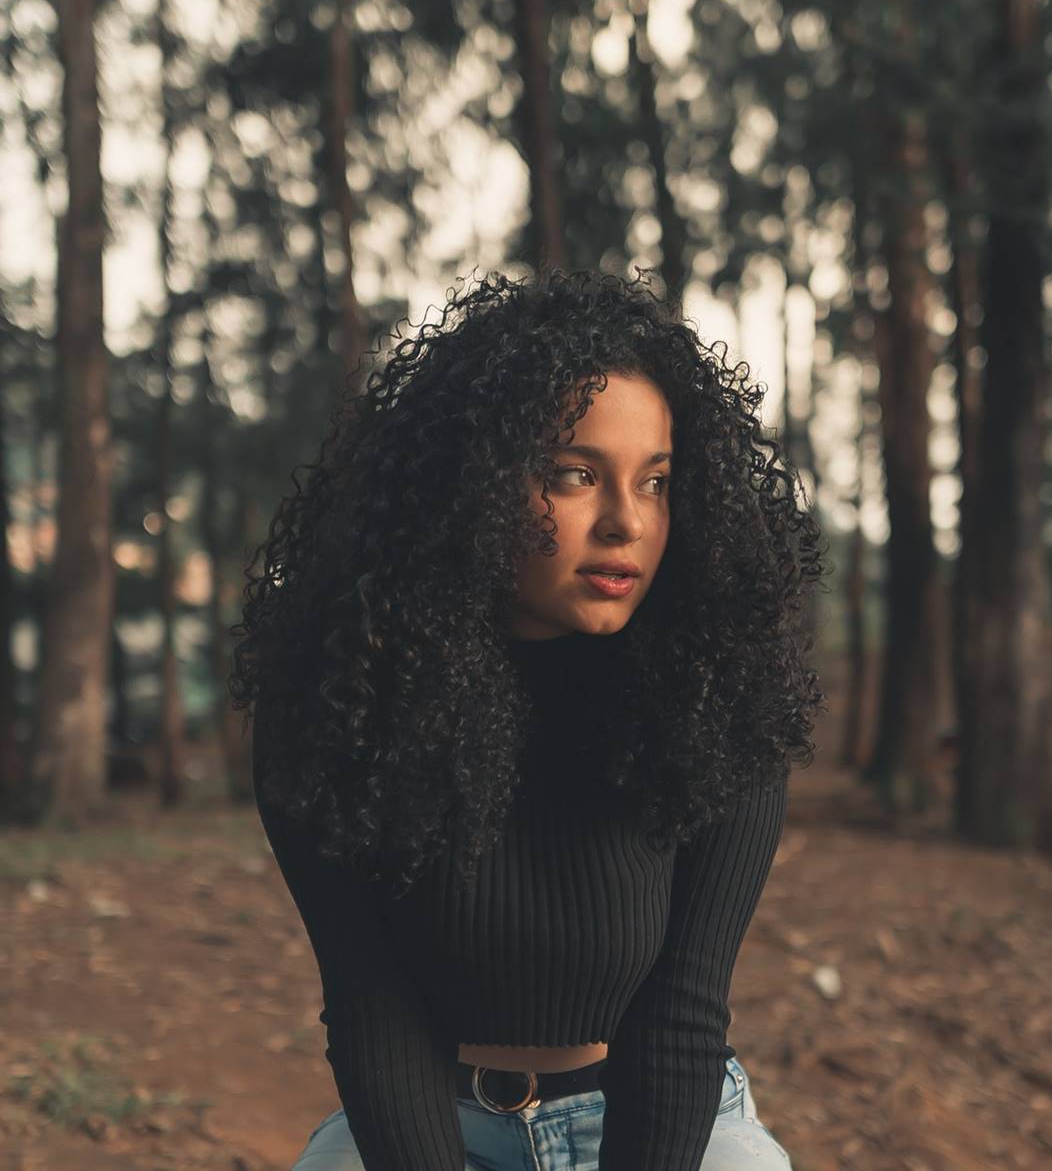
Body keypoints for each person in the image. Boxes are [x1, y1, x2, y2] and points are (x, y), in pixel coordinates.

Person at [229, 267, 826, 1170]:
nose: (627, 523)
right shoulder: (339, 702)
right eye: (575, 474)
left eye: (656, 482)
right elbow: (370, 1006)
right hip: (430, 1122)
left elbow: (683, 1012)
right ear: (471, 484)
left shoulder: (719, 696)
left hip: (664, 1119)